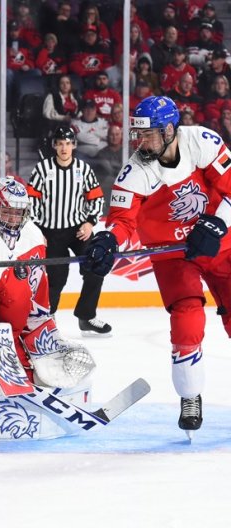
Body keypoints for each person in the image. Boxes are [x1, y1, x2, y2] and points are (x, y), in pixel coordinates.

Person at [82, 95, 231, 438]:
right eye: (137, 134)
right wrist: (108, 240)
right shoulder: (135, 170)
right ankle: (190, 396)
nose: (140, 142)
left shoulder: (202, 142)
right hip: (171, 251)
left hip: (218, 240)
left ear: (168, 130)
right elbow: (122, 220)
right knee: (187, 317)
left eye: (147, 135)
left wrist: (217, 223)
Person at [0, 177, 94, 395]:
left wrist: (42, 336)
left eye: (19, 213)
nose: (14, 219)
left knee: (40, 375)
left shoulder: (33, 237)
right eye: (7, 211)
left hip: (10, 330)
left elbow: (37, 297)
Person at [28, 125, 111, 336]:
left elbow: (96, 198)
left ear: (73, 145)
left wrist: (90, 222)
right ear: (55, 146)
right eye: (60, 144)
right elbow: (31, 201)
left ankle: (86, 316)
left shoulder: (83, 169)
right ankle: (49, 318)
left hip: (78, 229)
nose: (64, 148)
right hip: (51, 232)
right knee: (57, 277)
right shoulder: (43, 169)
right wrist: (39, 230)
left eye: (68, 143)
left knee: (97, 265)